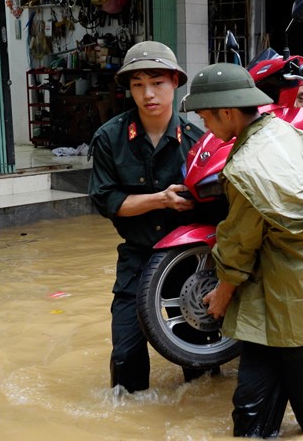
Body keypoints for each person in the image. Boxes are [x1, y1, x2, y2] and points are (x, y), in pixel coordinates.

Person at [182, 63, 303, 437]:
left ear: (227, 113)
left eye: (206, 116)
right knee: (254, 424)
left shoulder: (244, 167)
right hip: (276, 306)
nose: (205, 126)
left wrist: (222, 294)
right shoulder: (285, 131)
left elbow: (240, 242)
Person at [88, 41, 209, 393]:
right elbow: (107, 201)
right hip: (138, 256)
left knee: (199, 360)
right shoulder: (110, 138)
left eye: (157, 82)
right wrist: (161, 200)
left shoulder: (198, 142)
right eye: (138, 85)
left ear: (175, 82)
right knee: (125, 360)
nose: (148, 94)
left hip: (189, 263)